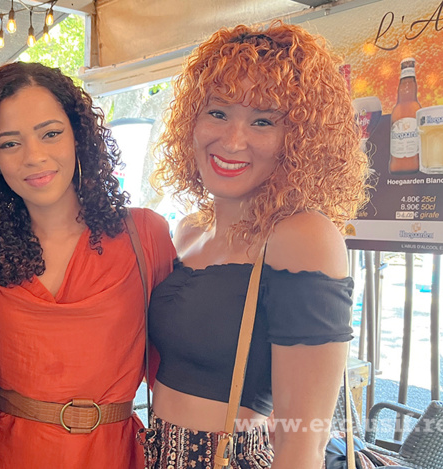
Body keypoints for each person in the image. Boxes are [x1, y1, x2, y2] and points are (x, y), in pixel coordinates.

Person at [146, 22, 369, 468]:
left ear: (300, 140)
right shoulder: (188, 231)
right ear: (192, 118)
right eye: (218, 112)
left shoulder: (303, 237)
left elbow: (303, 442)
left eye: (263, 121)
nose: (232, 140)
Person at [0, 62, 176, 469]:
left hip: (115, 455)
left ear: (79, 135)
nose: (34, 157)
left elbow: (174, 370)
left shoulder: (144, 234)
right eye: (9, 143)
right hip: (10, 455)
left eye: (51, 134)